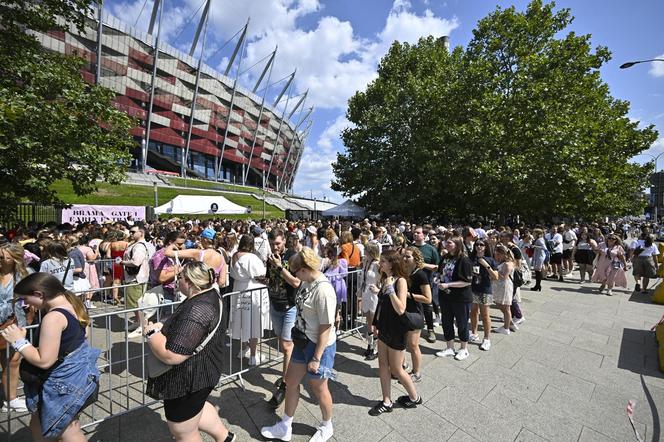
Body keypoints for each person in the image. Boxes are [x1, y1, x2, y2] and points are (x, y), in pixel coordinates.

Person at [144, 262, 236, 442]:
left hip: (188, 380)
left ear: (191, 282)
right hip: (203, 372)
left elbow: (172, 355)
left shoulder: (198, 308)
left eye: (179, 278)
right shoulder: (210, 294)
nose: (176, 281)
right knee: (197, 410)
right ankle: (225, 438)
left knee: (183, 432)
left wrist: (152, 334)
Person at [1, 272, 100, 441]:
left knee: (68, 431)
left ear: (39, 294)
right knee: (38, 424)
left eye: (25, 299)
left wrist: (19, 342)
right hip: (77, 376)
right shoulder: (73, 303)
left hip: (62, 383)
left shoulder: (53, 317)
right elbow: (81, 337)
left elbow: (44, 360)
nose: (25, 304)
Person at [261, 248, 337, 442]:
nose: (295, 274)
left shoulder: (324, 290)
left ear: (305, 269)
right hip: (302, 341)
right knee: (291, 381)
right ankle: (285, 425)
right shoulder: (306, 281)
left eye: (297, 271)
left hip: (319, 346)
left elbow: (326, 328)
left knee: (318, 388)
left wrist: (317, 357)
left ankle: (327, 425)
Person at [367, 249, 422, 416]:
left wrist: (390, 290)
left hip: (396, 330)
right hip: (384, 327)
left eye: (383, 261)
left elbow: (401, 308)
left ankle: (414, 398)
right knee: (382, 365)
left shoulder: (401, 282)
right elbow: (382, 305)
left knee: (397, 369)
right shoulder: (386, 279)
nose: (380, 263)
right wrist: (376, 323)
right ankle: (386, 401)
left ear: (391, 264)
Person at [265, 229, 301, 408]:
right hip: (275, 304)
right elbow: (270, 278)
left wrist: (279, 266)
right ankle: (292, 371)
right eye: (272, 244)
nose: (275, 247)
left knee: (287, 345)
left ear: (284, 241)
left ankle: (287, 384)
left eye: (278, 243)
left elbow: (296, 282)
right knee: (284, 343)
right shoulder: (271, 256)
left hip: (289, 306)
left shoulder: (293, 257)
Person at [230, 235, 269, 366]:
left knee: (242, 320)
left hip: (239, 289)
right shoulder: (251, 257)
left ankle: (243, 349)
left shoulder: (234, 256)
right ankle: (253, 355)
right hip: (251, 291)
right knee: (253, 323)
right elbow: (260, 274)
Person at [0, 242, 30, 412]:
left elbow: (34, 296)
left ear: (15, 259)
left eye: (4, 257)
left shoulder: (24, 275)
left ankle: (10, 399)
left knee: (12, 361)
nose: (1, 260)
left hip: (15, 324)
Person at [434, 236, 473, 360]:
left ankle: (464, 348)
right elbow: (440, 272)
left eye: (450, 242)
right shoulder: (445, 258)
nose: (446, 244)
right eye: (446, 242)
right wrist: (438, 279)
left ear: (457, 244)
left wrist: (448, 284)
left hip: (460, 298)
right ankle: (450, 347)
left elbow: (467, 281)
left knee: (462, 323)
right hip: (445, 296)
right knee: (446, 322)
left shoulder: (464, 260)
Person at [402, 247, 431, 382]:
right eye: (404, 256)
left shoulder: (421, 275)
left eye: (408, 257)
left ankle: (417, 372)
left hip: (415, 312)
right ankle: (403, 365)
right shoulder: (403, 271)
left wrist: (407, 294)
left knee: (413, 345)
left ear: (416, 259)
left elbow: (428, 298)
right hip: (402, 310)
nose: (404, 259)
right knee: (401, 341)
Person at [122, 224, 151, 338]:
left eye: (133, 232)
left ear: (141, 233)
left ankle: (142, 326)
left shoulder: (139, 246)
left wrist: (122, 263)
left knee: (137, 304)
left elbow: (136, 262)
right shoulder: (135, 244)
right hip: (133, 278)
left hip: (137, 278)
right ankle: (139, 323)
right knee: (134, 303)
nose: (131, 234)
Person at [411, 226, 440, 344]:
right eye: (414, 233)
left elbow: (437, 266)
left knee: (427, 307)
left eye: (418, 233)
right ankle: (412, 328)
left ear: (424, 235)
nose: (415, 234)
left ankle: (430, 329)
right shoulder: (410, 248)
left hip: (426, 282)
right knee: (412, 305)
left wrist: (424, 265)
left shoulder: (430, 249)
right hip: (411, 282)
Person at [469, 240, 498, 351]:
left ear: (486, 247)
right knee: (473, 312)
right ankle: (474, 333)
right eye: (477, 244)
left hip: (485, 289)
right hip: (472, 288)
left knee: (485, 315)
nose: (479, 246)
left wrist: (486, 266)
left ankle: (487, 339)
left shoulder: (490, 260)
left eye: (482, 244)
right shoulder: (471, 258)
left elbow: (496, 277)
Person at [359, 243, 381, 360]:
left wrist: (379, 289)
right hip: (366, 292)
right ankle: (370, 345)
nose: (364, 251)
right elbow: (363, 278)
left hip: (374, 294)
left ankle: (376, 348)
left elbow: (384, 279)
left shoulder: (377, 264)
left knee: (375, 323)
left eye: (366, 249)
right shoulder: (366, 262)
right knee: (368, 321)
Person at [492, 244, 515, 335]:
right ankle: (510, 323)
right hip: (500, 286)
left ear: (503, 254)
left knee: (505, 307)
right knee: (501, 304)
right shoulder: (503, 262)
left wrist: (493, 272)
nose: (496, 256)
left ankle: (506, 328)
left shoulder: (507, 264)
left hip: (504, 286)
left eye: (498, 254)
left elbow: (504, 277)